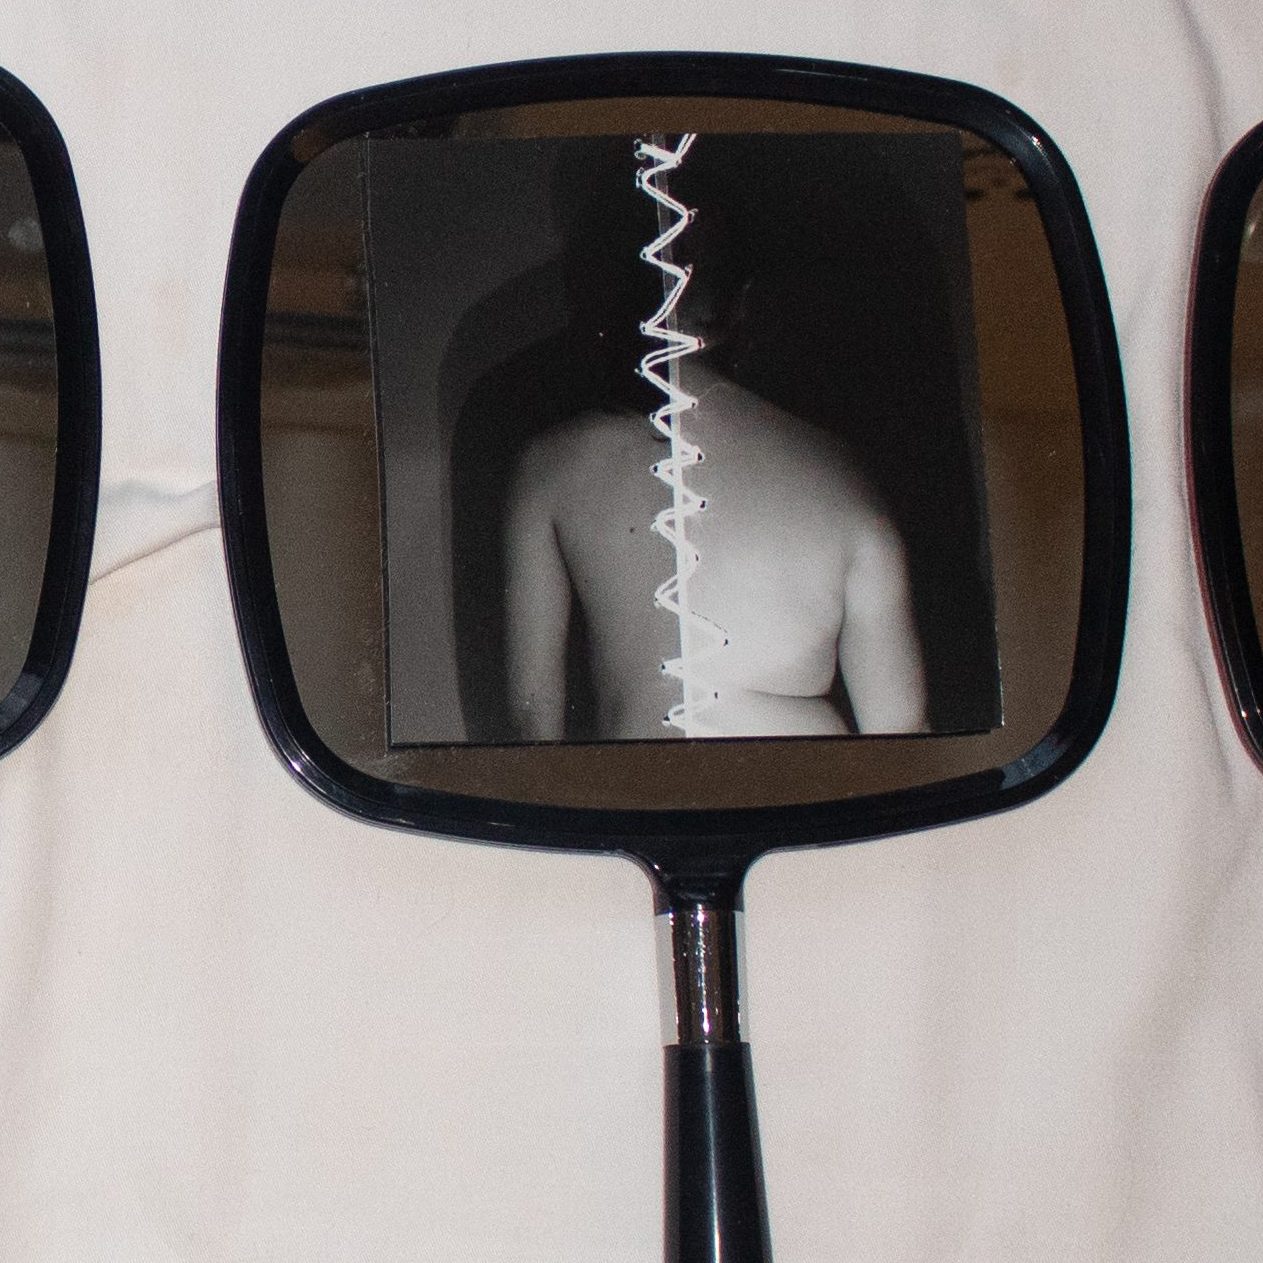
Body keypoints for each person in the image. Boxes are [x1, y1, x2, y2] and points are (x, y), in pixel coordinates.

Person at [502, 339, 929, 741]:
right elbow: (904, 736)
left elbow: (533, 720)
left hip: (647, 794)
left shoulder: (550, 461)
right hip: (801, 796)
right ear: (737, 304)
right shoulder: (843, 480)